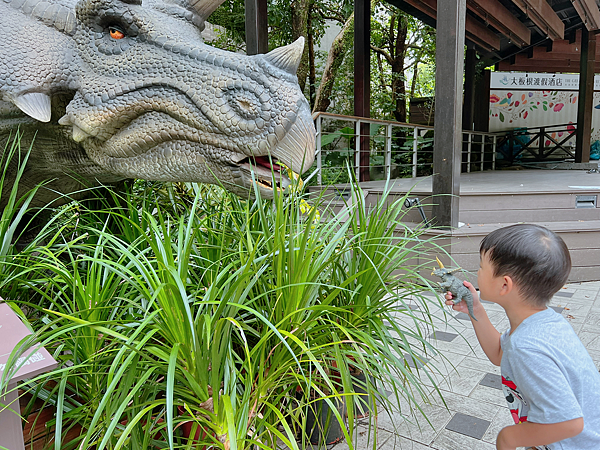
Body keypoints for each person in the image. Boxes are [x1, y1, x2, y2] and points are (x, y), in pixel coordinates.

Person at [445, 223, 600, 450]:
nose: (477, 272)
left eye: (481, 267)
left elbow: (570, 423)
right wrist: (475, 309)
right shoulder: (544, 323)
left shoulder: (527, 347)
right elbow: (500, 353)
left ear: (504, 284)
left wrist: (509, 438)